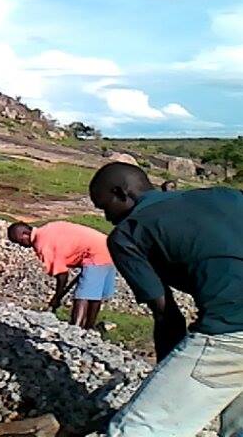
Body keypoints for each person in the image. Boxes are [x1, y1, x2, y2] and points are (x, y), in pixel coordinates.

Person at [89, 162, 243, 437]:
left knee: (137, 429)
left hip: (232, 326)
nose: (106, 217)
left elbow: (167, 315)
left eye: (104, 206)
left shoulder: (128, 232)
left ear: (121, 193)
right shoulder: (225, 195)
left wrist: (165, 372)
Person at [7, 221, 116, 329]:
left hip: (95, 253)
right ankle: (88, 329)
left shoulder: (43, 243)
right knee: (94, 294)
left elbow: (62, 275)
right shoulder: (47, 229)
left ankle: (76, 331)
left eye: (20, 242)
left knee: (83, 295)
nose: (21, 246)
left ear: (25, 234)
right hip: (108, 246)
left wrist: (57, 297)